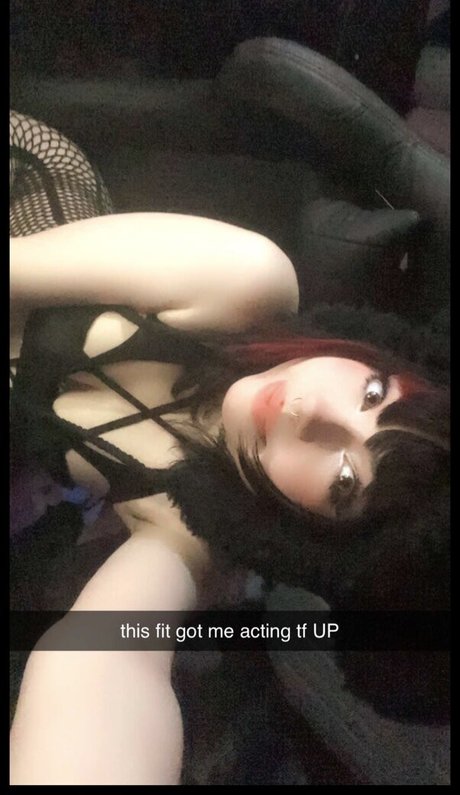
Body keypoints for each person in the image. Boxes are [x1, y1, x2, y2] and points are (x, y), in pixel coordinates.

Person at [10, 112, 449, 784]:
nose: (311, 410)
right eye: (372, 391)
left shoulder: (189, 534)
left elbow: (104, 660)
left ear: (314, 536)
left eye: (344, 480)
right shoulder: (246, 280)